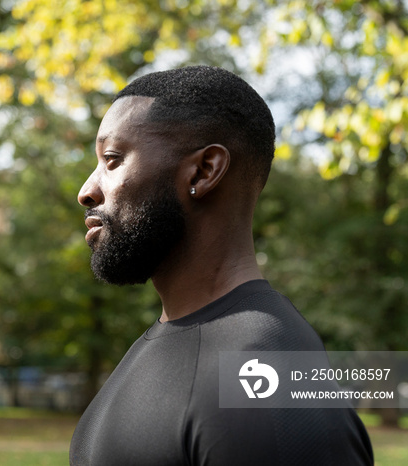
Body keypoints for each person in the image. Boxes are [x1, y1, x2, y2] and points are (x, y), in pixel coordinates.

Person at [69, 66, 373, 465]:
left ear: (204, 170)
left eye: (112, 159)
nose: (86, 192)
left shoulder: (261, 370)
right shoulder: (167, 344)